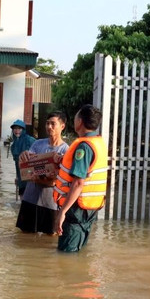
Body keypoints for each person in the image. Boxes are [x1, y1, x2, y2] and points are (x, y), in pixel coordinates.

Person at [52, 105, 108, 252]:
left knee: (66, 255)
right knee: (78, 251)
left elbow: (78, 182)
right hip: (89, 208)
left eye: (76, 116)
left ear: (80, 121)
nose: (74, 119)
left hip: (76, 209)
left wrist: (62, 212)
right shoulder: (97, 142)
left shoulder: (83, 147)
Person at [16, 112, 69, 234]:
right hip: (30, 199)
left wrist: (40, 179)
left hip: (50, 203)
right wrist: (23, 157)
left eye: (53, 124)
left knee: (50, 236)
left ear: (62, 126)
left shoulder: (66, 150)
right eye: (47, 123)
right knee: (25, 236)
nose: (49, 126)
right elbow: (27, 167)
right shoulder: (37, 144)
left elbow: (60, 180)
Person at [9, 119, 36, 196]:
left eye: (19, 128)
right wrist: (17, 177)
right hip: (21, 178)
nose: (16, 131)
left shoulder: (31, 140)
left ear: (23, 130)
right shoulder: (13, 146)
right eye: (15, 128)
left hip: (31, 176)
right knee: (22, 200)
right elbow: (16, 163)